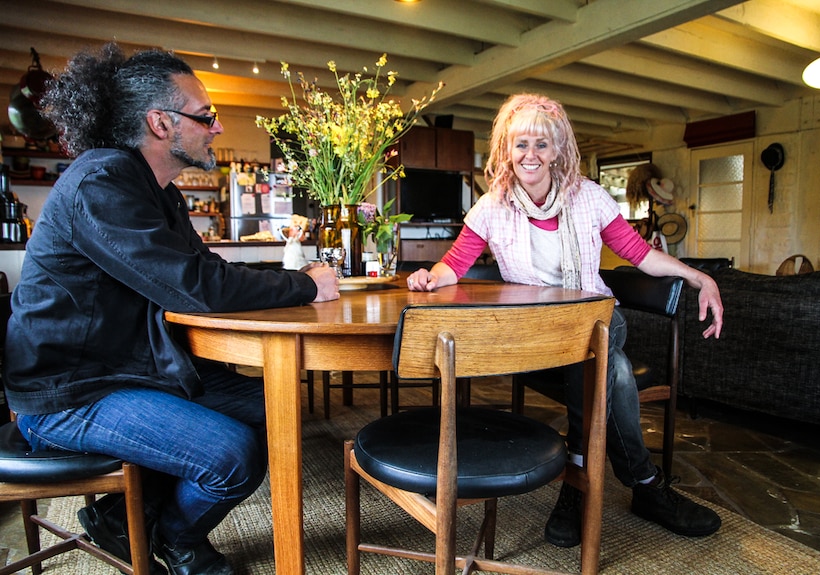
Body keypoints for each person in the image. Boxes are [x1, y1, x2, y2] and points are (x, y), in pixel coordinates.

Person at [2, 43, 338, 575]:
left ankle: (123, 521)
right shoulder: (101, 182)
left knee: (277, 406)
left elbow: (206, 274)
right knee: (232, 454)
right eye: (205, 117)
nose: (217, 128)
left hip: (129, 371)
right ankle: (176, 536)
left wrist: (294, 283)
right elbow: (195, 286)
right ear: (160, 123)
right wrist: (303, 286)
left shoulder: (159, 190)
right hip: (67, 391)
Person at [405, 93, 724, 549]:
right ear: (506, 151)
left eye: (540, 144)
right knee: (611, 373)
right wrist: (428, 277)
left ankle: (576, 489)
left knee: (592, 353)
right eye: (520, 145)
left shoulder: (589, 198)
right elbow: (453, 265)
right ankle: (646, 486)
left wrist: (698, 276)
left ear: (557, 150)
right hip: (534, 338)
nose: (529, 155)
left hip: (597, 319)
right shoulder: (492, 206)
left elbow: (640, 255)